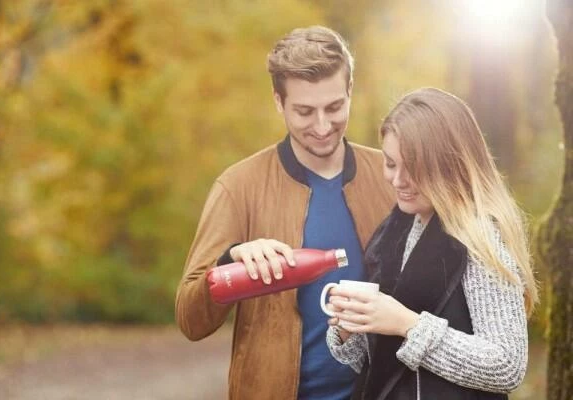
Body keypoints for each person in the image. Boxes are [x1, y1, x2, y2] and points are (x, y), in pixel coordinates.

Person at [175, 26, 395, 399]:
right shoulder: (238, 186)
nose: (323, 126)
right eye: (305, 111)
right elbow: (190, 321)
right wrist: (229, 260)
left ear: (350, 91)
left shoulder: (393, 177)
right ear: (278, 102)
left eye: (334, 107)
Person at [326, 87, 538, 400]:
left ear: (450, 163)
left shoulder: (480, 237)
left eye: (414, 167)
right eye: (391, 163)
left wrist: (407, 324)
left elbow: (507, 365)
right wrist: (351, 328)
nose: (398, 180)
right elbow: (382, 366)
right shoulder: (395, 229)